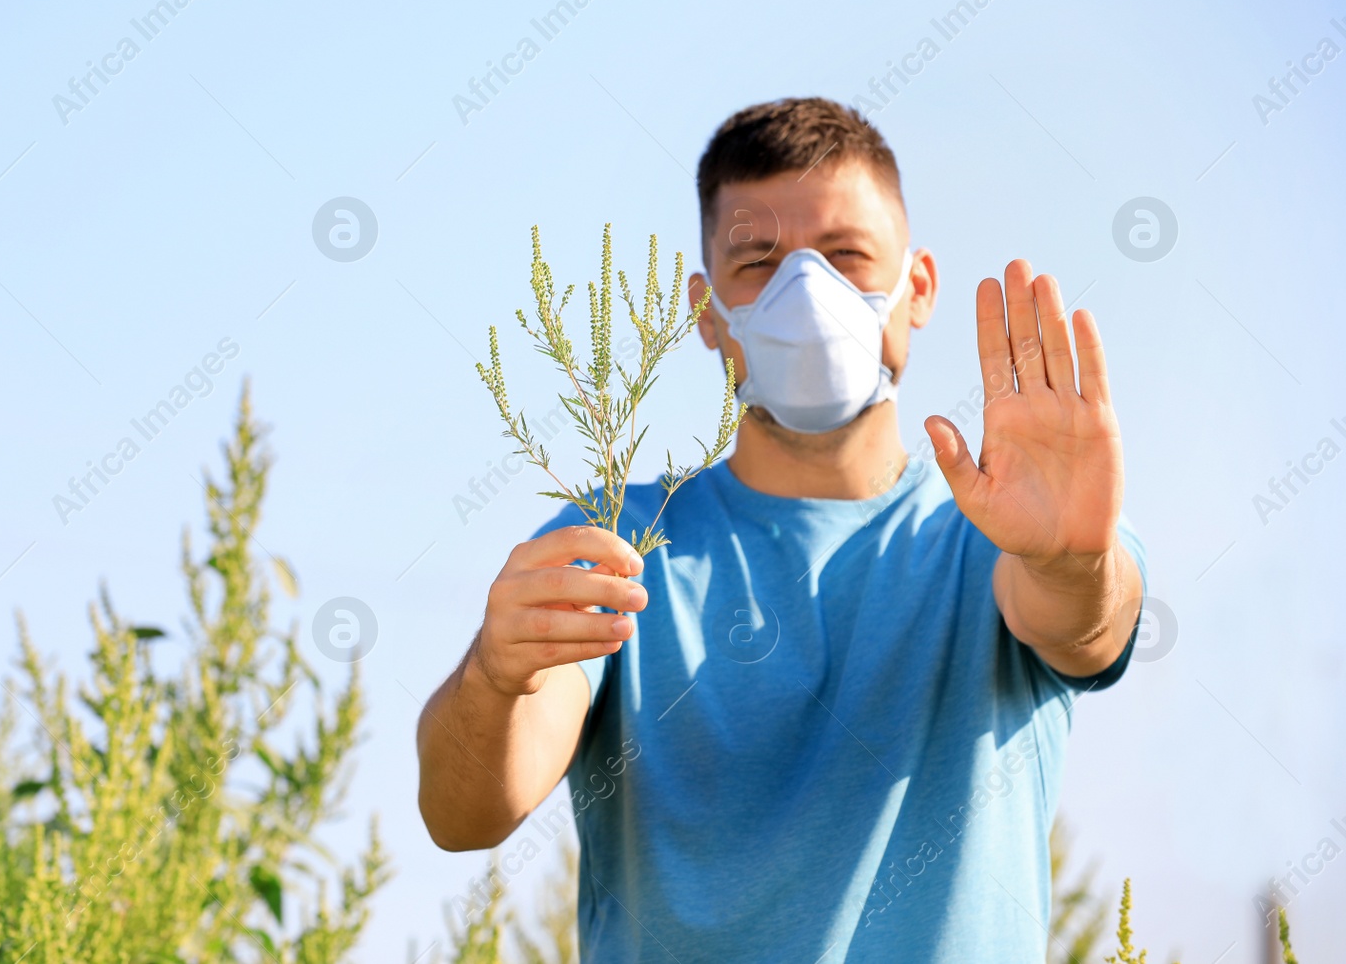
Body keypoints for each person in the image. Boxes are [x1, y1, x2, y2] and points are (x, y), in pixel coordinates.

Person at [416, 97, 1145, 962]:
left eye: (845, 255)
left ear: (916, 287)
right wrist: (494, 677)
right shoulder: (619, 538)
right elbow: (465, 814)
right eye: (760, 261)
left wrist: (1073, 560)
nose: (809, 293)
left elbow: (1082, 625)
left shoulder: (1005, 529)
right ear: (706, 309)